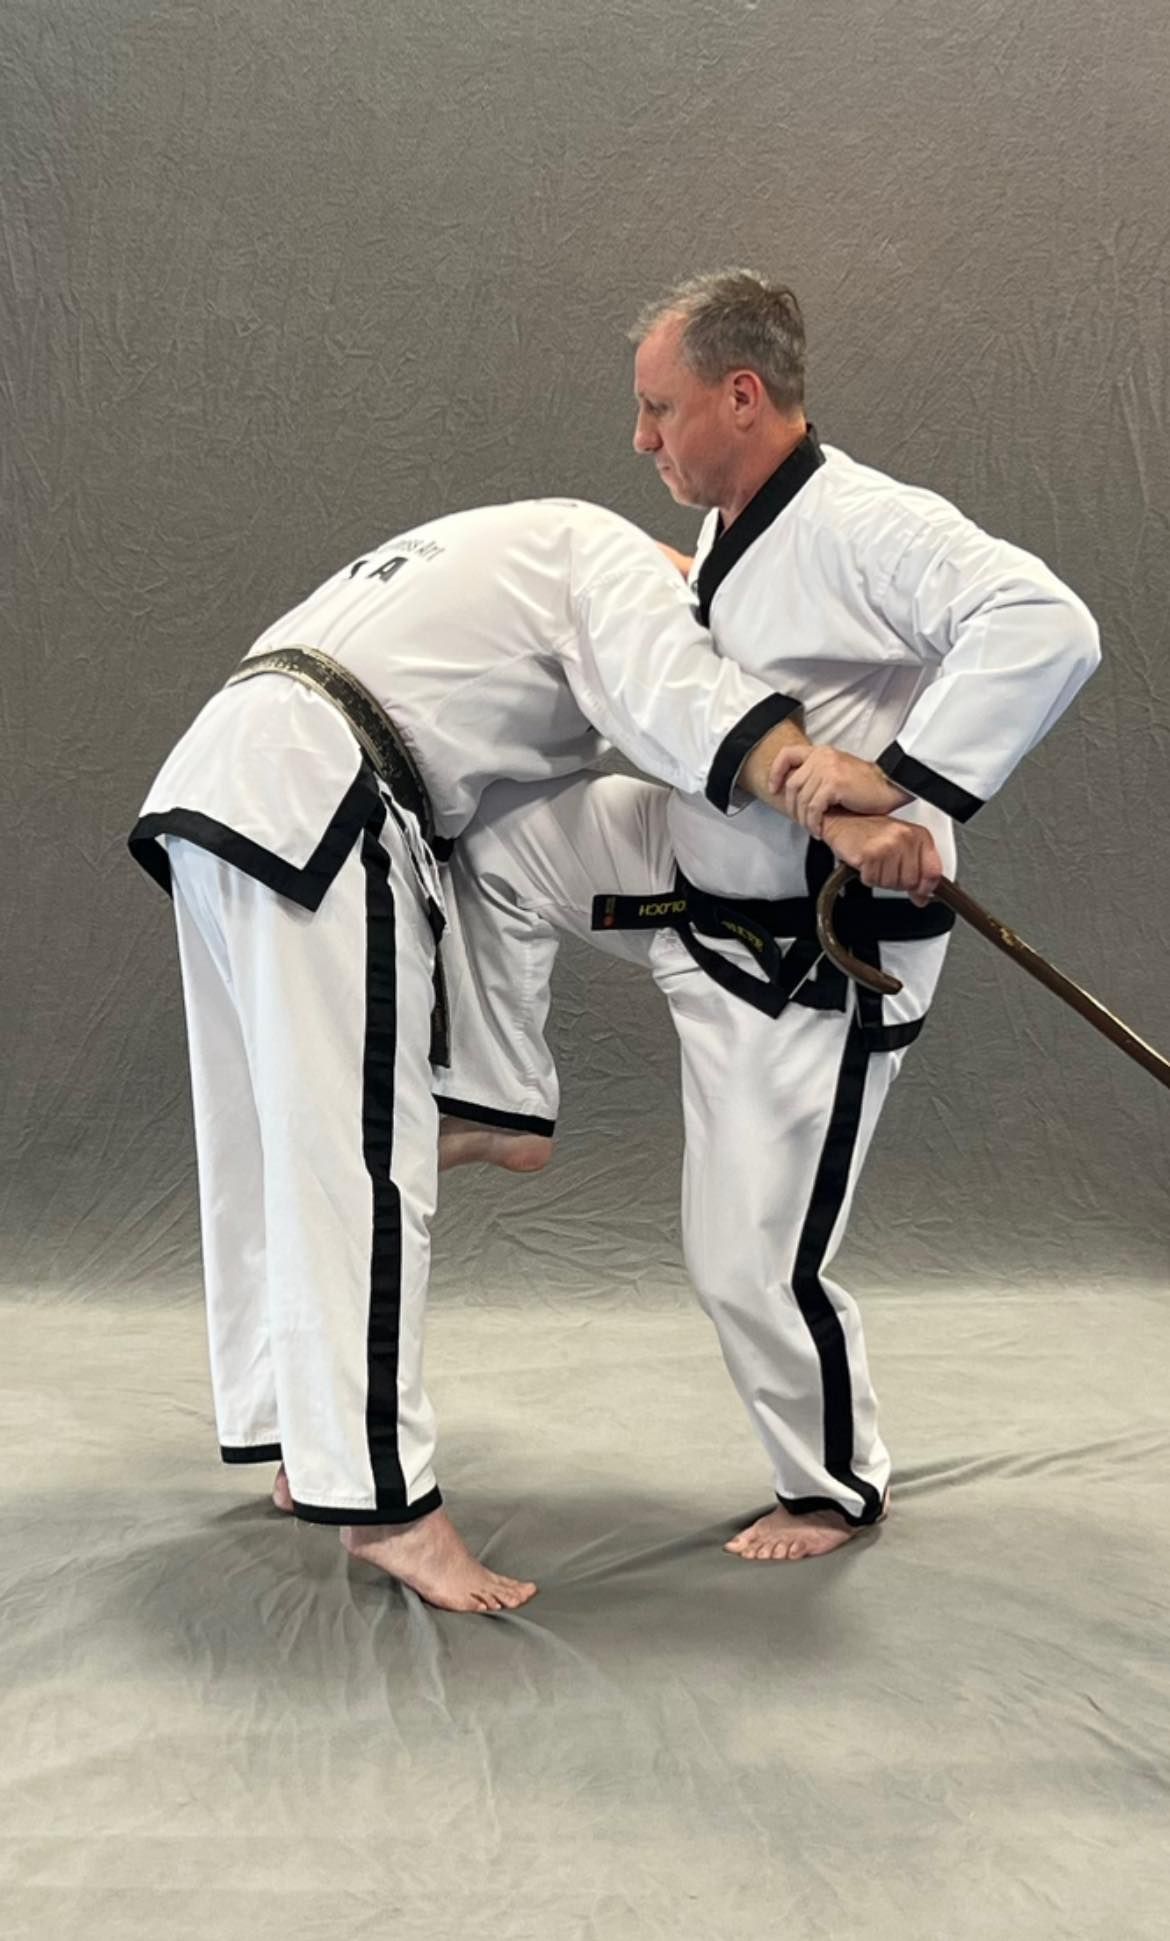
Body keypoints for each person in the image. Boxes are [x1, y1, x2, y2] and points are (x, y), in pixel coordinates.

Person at [129, 493, 924, 1614]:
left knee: (267, 1142)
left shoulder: (496, 546)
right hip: (325, 796)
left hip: (219, 784)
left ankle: (310, 1443)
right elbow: (696, 706)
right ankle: (391, 1509)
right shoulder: (615, 563)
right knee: (359, 1166)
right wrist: (841, 814)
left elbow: (561, 772)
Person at [435, 272, 1101, 1562]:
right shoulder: (740, 523)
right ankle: (504, 1094)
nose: (641, 439)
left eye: (658, 409)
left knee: (744, 1263)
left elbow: (1046, 623)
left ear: (742, 396)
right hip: (686, 883)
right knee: (503, 838)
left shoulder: (862, 522)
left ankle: (831, 1486)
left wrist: (899, 779)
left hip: (806, 953)